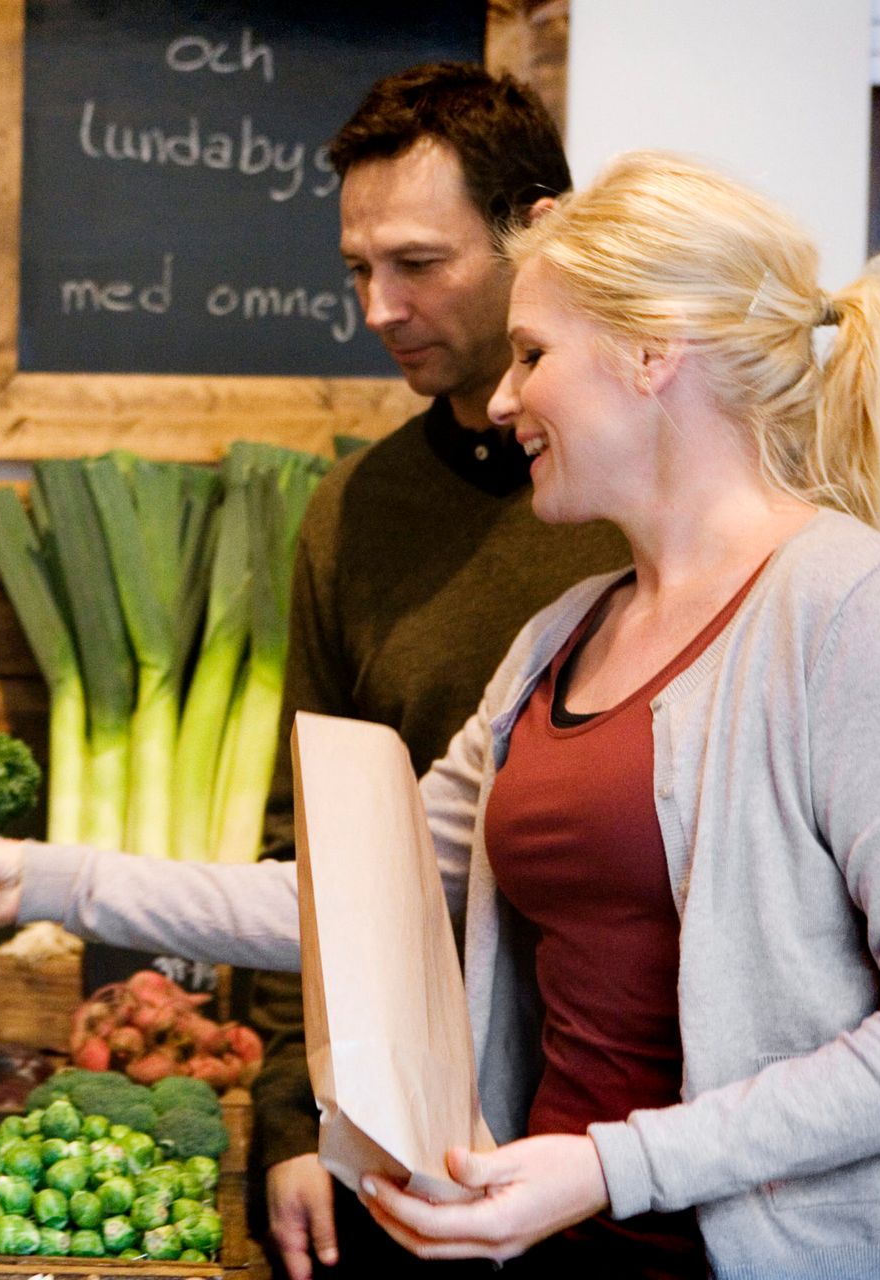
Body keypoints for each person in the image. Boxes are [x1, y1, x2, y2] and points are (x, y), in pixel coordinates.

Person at [0, 151, 880, 1276]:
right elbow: (358, 896)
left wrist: (609, 1163)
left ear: (652, 352)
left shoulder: (860, 619)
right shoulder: (564, 634)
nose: (507, 396)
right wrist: (40, 879)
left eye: (534, 354)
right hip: (550, 1238)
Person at [245, 63, 630, 1279]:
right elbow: (306, 837)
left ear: (541, 232)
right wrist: (288, 1111)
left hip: (630, 1141)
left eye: (418, 263)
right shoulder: (354, 513)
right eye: (358, 268)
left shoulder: (640, 498)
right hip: (404, 1144)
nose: (377, 305)